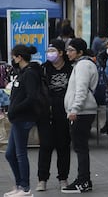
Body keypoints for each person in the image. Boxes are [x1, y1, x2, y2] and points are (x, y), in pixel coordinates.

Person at [61, 38, 98, 194]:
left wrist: (74, 109)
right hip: (83, 111)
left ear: (80, 52)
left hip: (81, 112)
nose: (67, 53)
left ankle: (82, 181)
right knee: (81, 147)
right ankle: (85, 180)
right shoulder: (84, 64)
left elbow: (81, 90)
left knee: (80, 148)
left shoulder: (82, 65)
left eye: (71, 50)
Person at [35, 39, 73, 191]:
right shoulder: (43, 69)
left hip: (64, 112)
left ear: (61, 53)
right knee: (45, 146)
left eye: (53, 51)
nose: (50, 54)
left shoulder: (71, 69)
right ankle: (42, 179)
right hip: (46, 113)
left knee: (63, 146)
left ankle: (63, 178)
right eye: (48, 51)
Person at [4, 45, 41, 197]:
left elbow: (31, 97)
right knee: (9, 154)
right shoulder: (22, 73)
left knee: (20, 153)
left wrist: (15, 109)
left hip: (23, 118)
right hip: (17, 118)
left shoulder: (30, 73)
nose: (12, 60)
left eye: (13, 57)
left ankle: (25, 187)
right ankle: (19, 184)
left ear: (19, 57)